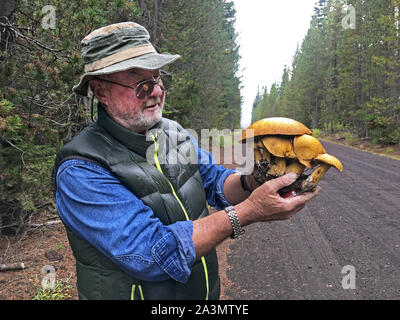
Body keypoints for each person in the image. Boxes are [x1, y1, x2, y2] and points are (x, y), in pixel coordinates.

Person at [52, 22, 319, 300]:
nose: (155, 92)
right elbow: (153, 253)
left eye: (157, 79)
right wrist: (249, 212)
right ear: (100, 90)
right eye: (140, 84)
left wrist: (254, 181)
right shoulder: (81, 168)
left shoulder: (174, 132)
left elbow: (215, 182)